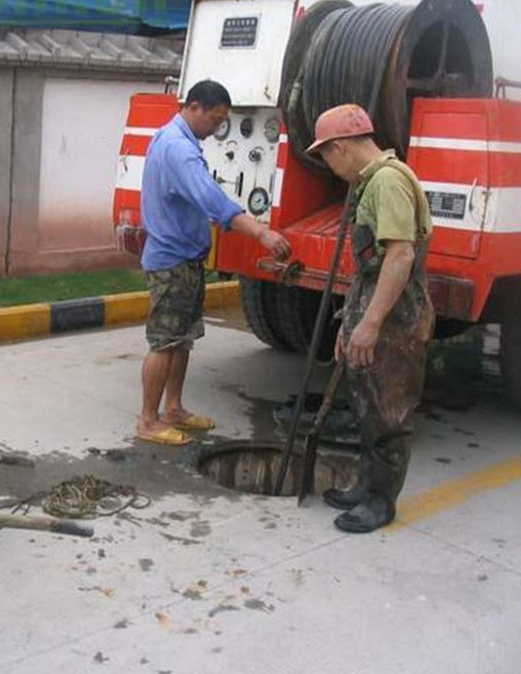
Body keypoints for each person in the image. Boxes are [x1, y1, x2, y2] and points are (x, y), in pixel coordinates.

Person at [137, 80, 291, 445]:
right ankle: (148, 420)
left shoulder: (174, 139)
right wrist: (262, 234)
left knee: (183, 338)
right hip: (171, 261)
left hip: (185, 259)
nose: (217, 129)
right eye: (216, 120)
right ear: (194, 108)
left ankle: (172, 408)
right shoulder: (179, 150)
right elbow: (213, 201)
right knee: (165, 341)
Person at [305, 104, 435, 532]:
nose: (329, 166)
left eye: (326, 156)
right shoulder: (371, 183)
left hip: (396, 319)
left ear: (340, 147)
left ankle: (381, 502)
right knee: (368, 407)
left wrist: (373, 322)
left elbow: (400, 256)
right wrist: (351, 319)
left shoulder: (389, 182)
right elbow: (370, 266)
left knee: (389, 413)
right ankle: (366, 486)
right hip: (376, 306)